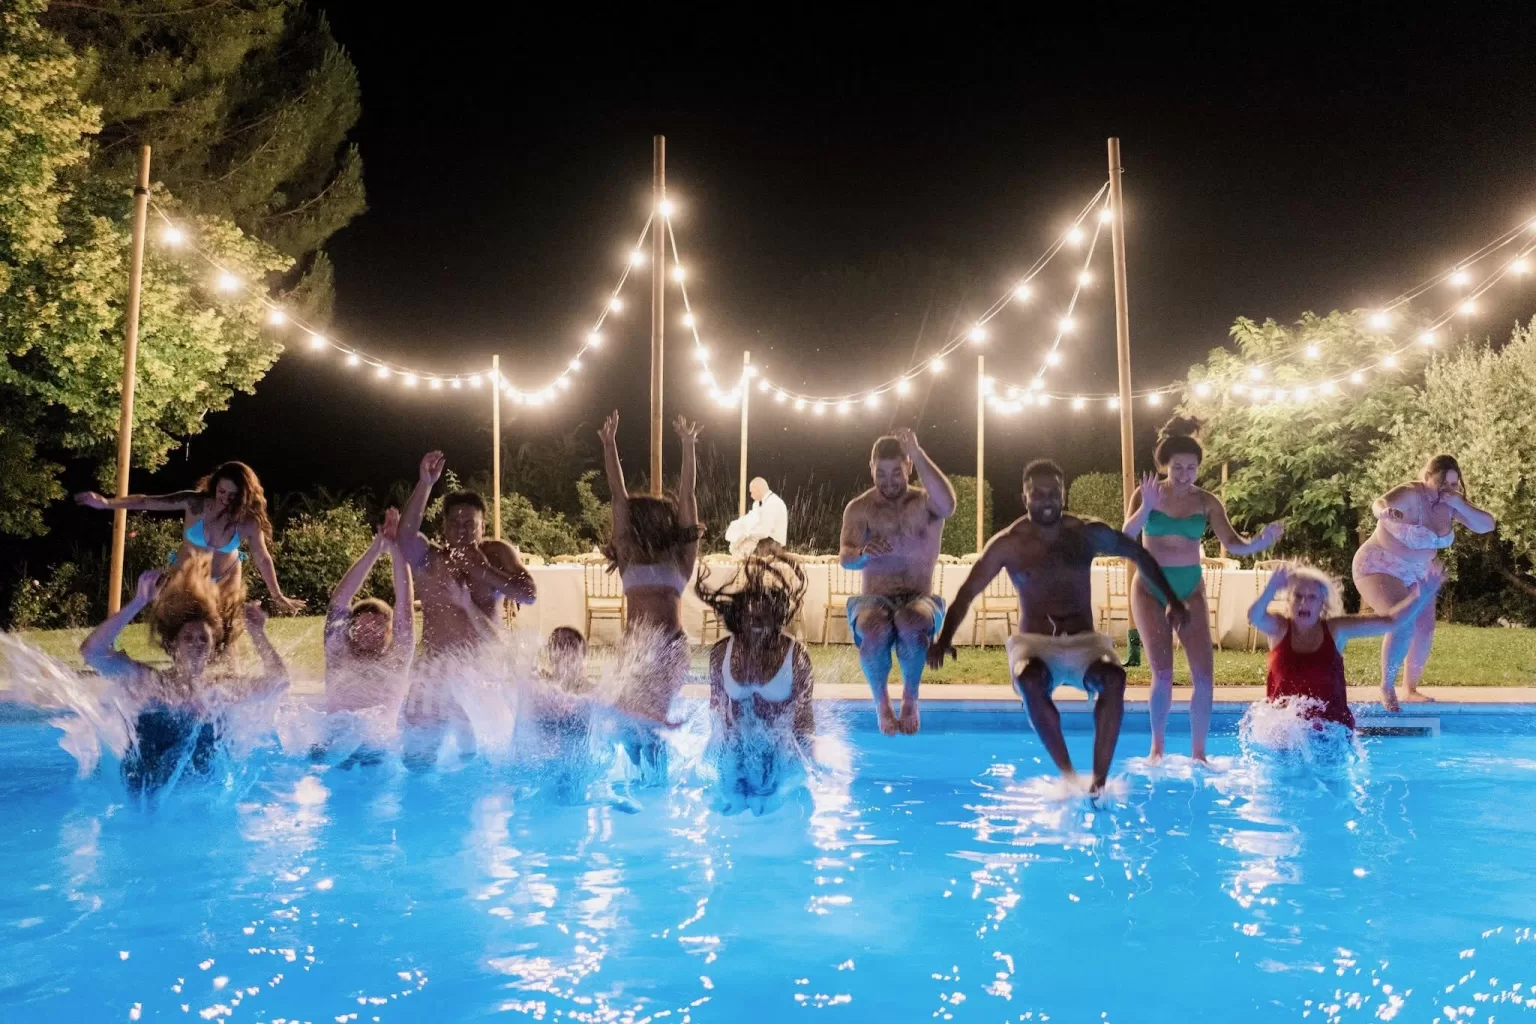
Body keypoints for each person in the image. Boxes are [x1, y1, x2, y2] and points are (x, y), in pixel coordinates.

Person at [930, 460, 1188, 796]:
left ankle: (1097, 784)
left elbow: (1138, 553)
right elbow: (968, 592)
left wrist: (1172, 599)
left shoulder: (1086, 532)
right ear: (1024, 497)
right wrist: (944, 638)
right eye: (1038, 494)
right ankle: (1068, 777)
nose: (1047, 500)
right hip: (1034, 643)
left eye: (1053, 493)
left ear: (1063, 494)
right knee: (1029, 679)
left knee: (1114, 678)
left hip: (1085, 641)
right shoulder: (1010, 543)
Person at [1121, 416, 1284, 762]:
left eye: (1191, 468)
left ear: (1198, 468)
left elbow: (1234, 543)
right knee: (1163, 673)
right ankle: (1157, 749)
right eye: (1177, 467)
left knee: (1204, 677)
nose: (1183, 474)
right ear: (1165, 465)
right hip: (1150, 589)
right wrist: (1147, 507)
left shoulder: (1207, 501)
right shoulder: (1147, 492)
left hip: (1190, 589)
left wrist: (1260, 542)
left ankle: (1199, 754)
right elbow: (1126, 536)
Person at [80, 563, 288, 795]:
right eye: (188, 638)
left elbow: (278, 682)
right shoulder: (150, 682)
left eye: (203, 639)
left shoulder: (221, 688)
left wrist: (258, 634)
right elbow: (92, 652)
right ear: (173, 645)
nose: (196, 644)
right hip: (147, 789)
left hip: (202, 794)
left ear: (212, 648)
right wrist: (138, 602)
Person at [395, 452, 536, 765]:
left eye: (469, 523)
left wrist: (482, 571)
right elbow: (404, 537)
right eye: (454, 522)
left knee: (482, 758)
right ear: (444, 527)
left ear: (482, 526)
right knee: (417, 759)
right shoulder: (430, 560)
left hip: (482, 670)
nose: (461, 529)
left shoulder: (497, 554)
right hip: (435, 666)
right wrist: (425, 484)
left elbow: (529, 594)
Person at [76, 462, 304, 652]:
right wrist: (107, 503)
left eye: (232, 495)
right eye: (221, 492)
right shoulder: (195, 504)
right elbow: (146, 500)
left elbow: (262, 557)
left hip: (226, 577)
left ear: (244, 495)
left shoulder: (248, 521)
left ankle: (227, 678)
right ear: (214, 487)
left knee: (224, 633)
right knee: (177, 627)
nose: (225, 498)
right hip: (187, 576)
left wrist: (277, 594)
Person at [598, 411, 704, 777]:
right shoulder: (627, 556)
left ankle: (657, 786)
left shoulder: (681, 559)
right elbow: (618, 495)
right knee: (632, 721)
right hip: (635, 648)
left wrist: (689, 448)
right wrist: (609, 445)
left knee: (652, 718)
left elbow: (687, 495)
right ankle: (647, 780)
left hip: (671, 647)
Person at [1352, 455, 1495, 710]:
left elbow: (1486, 525)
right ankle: (1387, 687)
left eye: (1454, 484)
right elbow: (1379, 503)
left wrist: (1460, 504)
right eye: (1443, 483)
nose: (1448, 490)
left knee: (1425, 629)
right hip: (1379, 566)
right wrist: (1385, 512)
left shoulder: (1451, 503)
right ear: (1427, 477)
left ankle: (1410, 689)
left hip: (1417, 573)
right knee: (1402, 622)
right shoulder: (1410, 493)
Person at [839, 429, 956, 736]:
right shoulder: (860, 508)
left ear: (908, 467)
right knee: (873, 628)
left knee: (911, 620)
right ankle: (881, 704)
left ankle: (910, 697)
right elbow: (846, 557)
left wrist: (917, 452)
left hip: (920, 598)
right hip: (874, 599)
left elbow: (949, 505)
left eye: (896, 473)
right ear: (871, 468)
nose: (889, 482)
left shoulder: (926, 504)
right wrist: (863, 554)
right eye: (881, 473)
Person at [1250, 562, 1444, 731]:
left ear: (1321, 605)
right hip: (1286, 732)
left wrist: (1421, 595)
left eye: (1312, 597)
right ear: (1288, 602)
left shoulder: (1337, 630)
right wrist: (1270, 589)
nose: (1304, 602)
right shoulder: (1278, 628)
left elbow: (1390, 621)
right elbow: (1254, 616)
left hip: (1331, 732)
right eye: (1298, 596)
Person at [697, 556, 815, 815]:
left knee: (769, 805)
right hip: (735, 746)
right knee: (728, 800)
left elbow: (804, 719)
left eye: (765, 617)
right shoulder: (721, 653)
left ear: (778, 618)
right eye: (751, 618)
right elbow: (716, 710)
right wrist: (719, 754)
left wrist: (810, 756)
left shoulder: (795, 656)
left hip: (778, 747)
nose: (757, 624)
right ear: (738, 619)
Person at [724, 477, 789, 556]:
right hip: (770, 543)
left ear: (758, 489)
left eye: (751, 492)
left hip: (772, 545)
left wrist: (746, 534)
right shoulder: (767, 502)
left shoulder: (772, 503)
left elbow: (764, 531)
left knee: (746, 559)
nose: (751, 495)